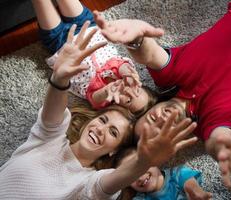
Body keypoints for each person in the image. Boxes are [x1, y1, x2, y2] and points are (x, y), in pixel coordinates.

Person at [93, 0, 231, 189]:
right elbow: (218, 137)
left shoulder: (170, 77)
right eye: (158, 132)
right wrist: (223, 150)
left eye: (149, 118)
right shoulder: (209, 121)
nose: (157, 120)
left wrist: (136, 39)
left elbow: (152, 54)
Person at [0, 20, 199, 199]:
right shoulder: (48, 139)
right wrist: (60, 78)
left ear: (113, 151)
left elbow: (111, 183)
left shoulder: (90, 182)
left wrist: (144, 162)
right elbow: (52, 116)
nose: (101, 129)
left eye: (113, 132)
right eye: (103, 121)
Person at [31, 0, 157, 115]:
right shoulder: (126, 71)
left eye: (129, 100)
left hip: (61, 43)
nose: (128, 92)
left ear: (119, 109)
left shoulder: (102, 101)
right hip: (87, 26)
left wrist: (108, 91)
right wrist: (128, 75)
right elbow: (119, 64)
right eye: (137, 91)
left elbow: (96, 98)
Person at [114, 147, 213, 200]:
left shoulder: (176, 173)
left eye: (140, 166)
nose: (139, 178)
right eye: (130, 177)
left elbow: (189, 183)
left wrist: (195, 191)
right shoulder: (140, 198)